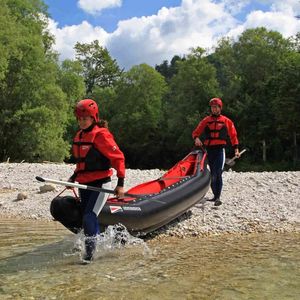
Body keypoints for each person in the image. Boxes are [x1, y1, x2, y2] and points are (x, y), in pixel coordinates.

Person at [69, 98, 125, 262]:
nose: (82, 122)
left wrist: (120, 184)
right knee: (85, 217)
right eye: (79, 119)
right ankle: (98, 241)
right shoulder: (79, 135)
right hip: (84, 184)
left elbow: (119, 158)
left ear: (94, 118)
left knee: (89, 216)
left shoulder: (101, 136)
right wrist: (73, 177)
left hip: (100, 184)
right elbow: (83, 163)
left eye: (85, 118)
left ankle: (89, 257)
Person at [192, 98, 240, 206]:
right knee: (212, 173)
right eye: (212, 107)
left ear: (220, 108)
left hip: (219, 151)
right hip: (209, 150)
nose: (213, 109)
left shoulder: (226, 121)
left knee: (218, 172)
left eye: (215, 107)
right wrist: (196, 138)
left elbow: (233, 135)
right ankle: (214, 196)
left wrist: (236, 149)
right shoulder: (206, 120)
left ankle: (218, 197)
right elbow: (195, 132)